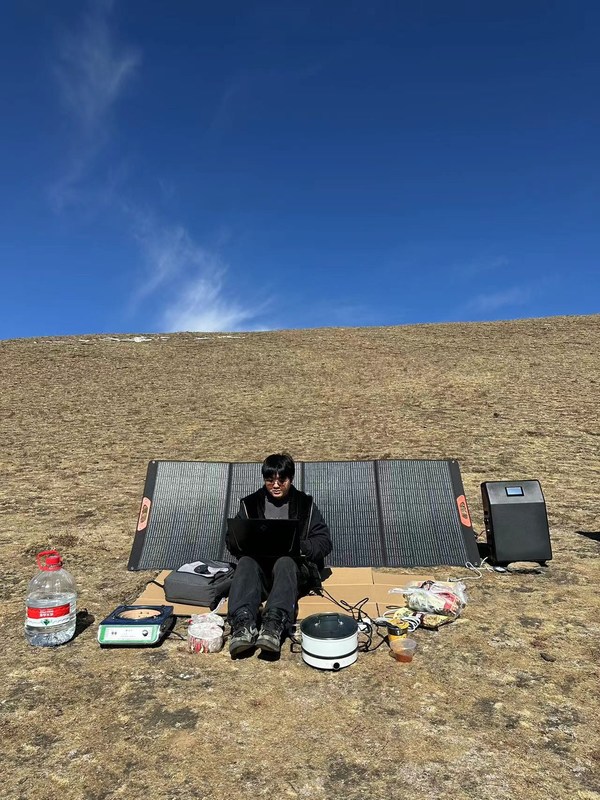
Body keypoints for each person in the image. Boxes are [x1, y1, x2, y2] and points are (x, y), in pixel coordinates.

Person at [225, 452, 332, 657]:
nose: (275, 485)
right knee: (246, 562)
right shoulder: (249, 504)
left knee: (285, 561)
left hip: (292, 572)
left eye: (281, 480)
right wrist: (241, 540)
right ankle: (242, 623)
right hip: (260, 572)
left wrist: (299, 546)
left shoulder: (305, 505)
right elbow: (232, 540)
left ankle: (273, 624)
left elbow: (324, 542)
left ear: (290, 479)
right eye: (269, 480)